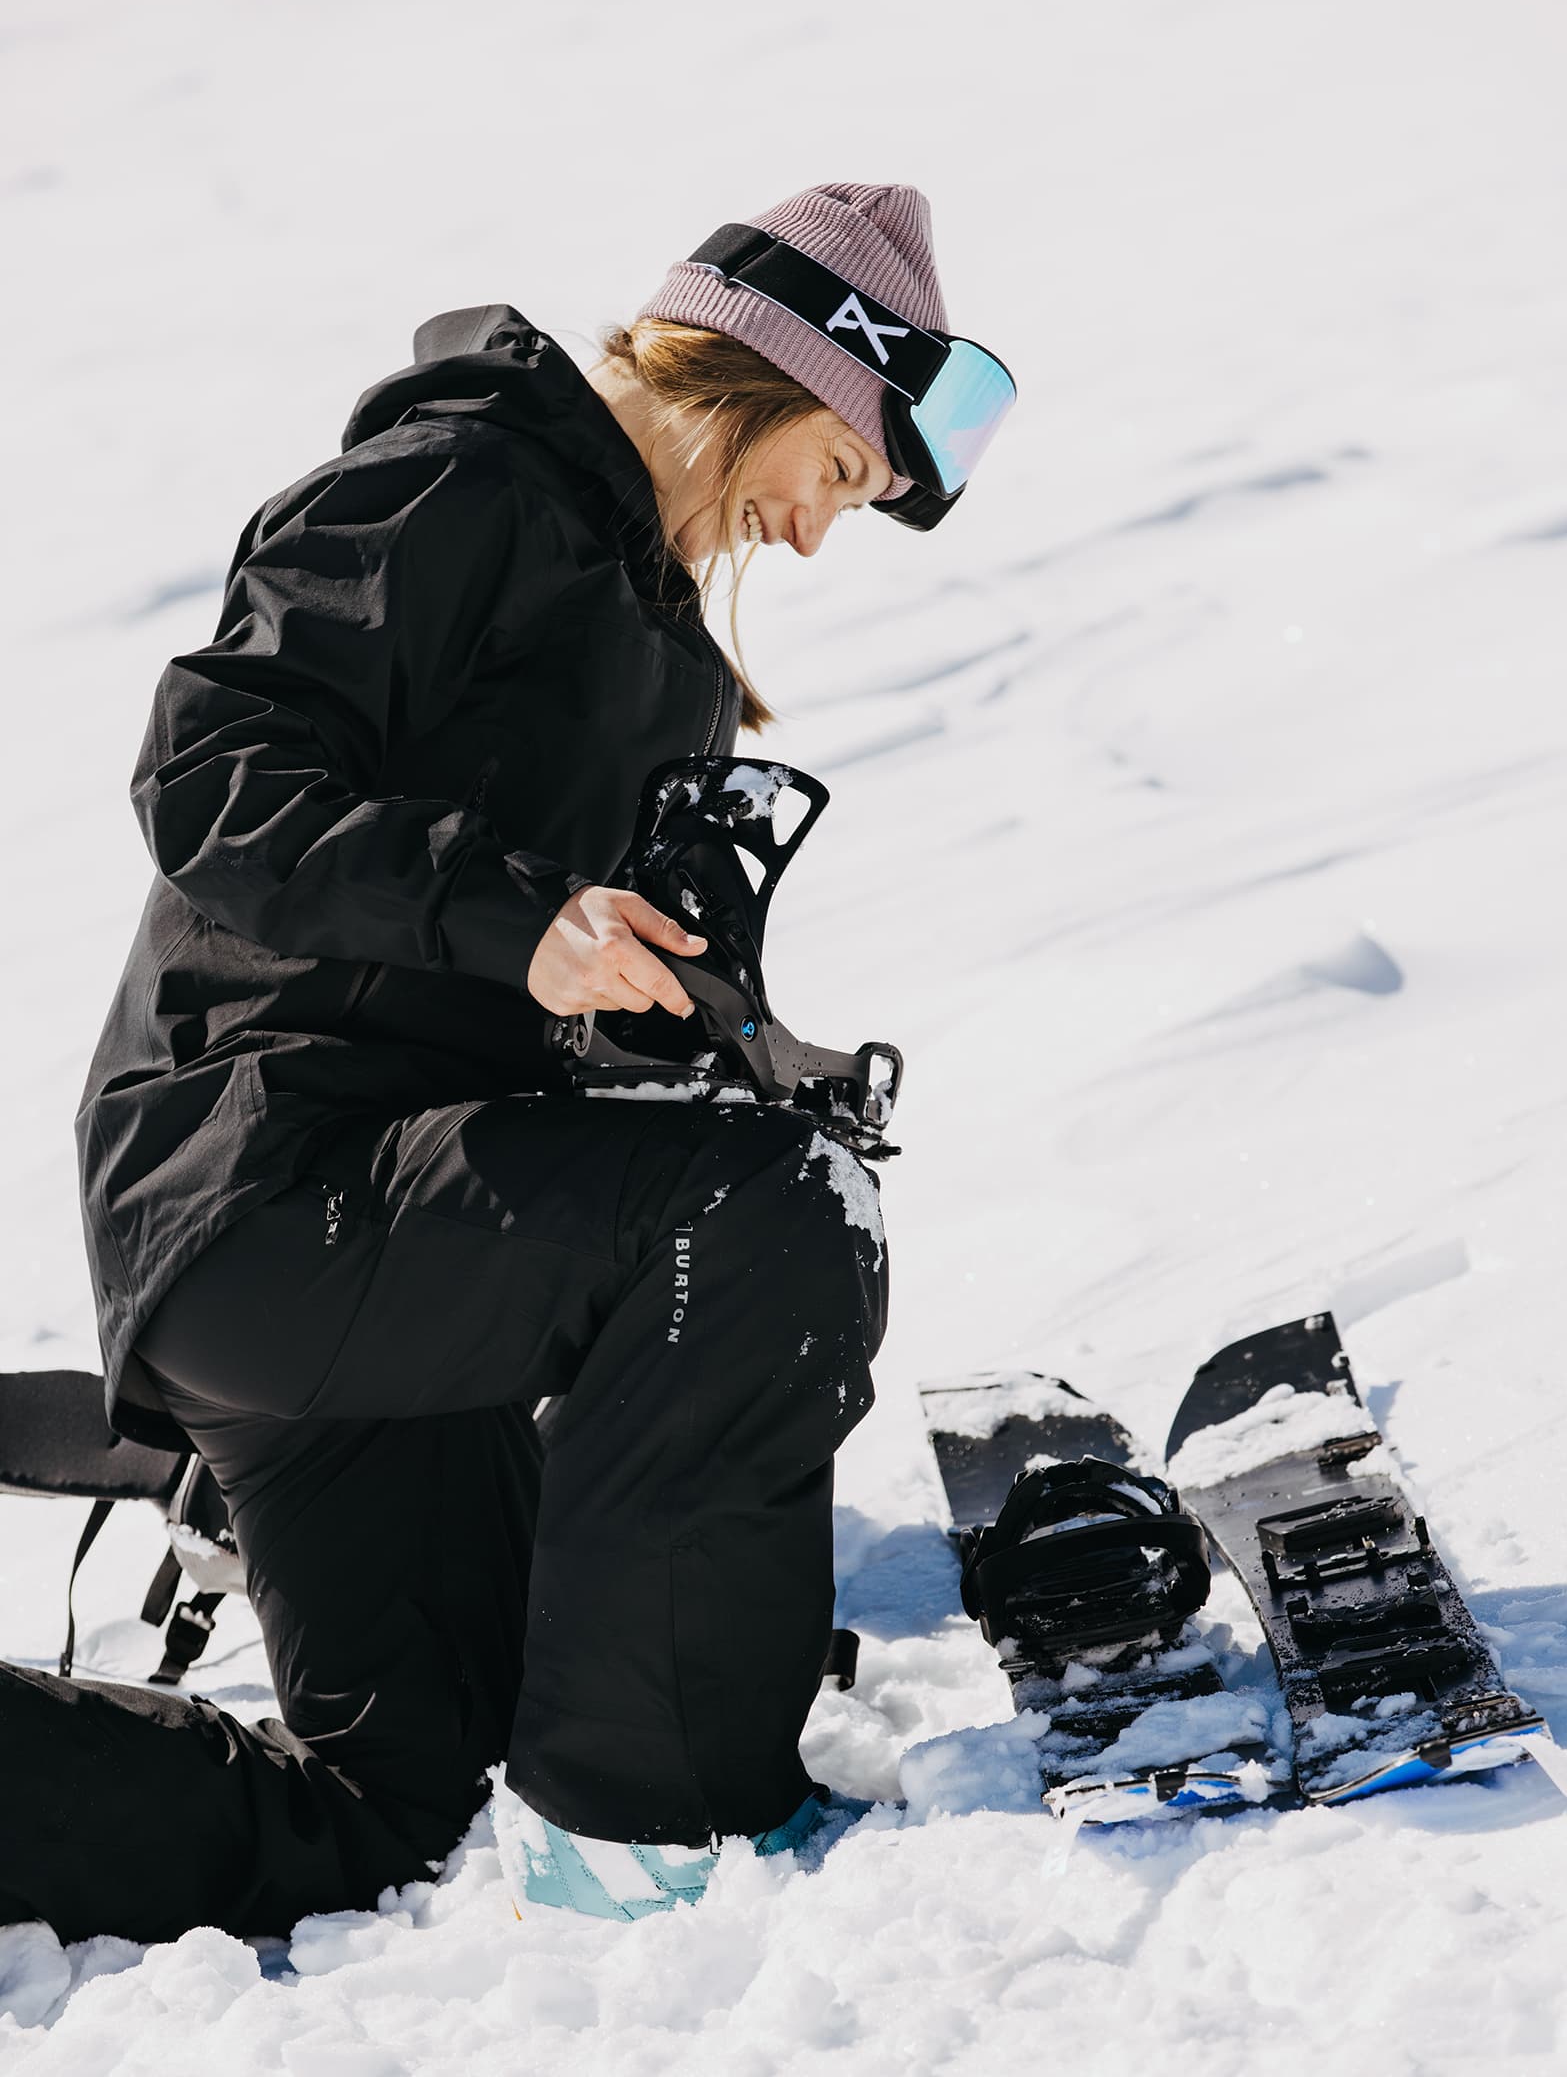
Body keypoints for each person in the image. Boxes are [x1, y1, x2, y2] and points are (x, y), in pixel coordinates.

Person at [0, 183, 1014, 1940]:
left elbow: (539, 978)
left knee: (397, 1812)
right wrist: (519, 916)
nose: (809, 537)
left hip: (402, 1261)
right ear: (762, 378)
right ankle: (661, 1829)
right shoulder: (456, 485)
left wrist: (709, 1045)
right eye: (836, 474)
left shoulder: (659, 649)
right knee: (763, 1216)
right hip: (267, 1184)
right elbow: (216, 774)